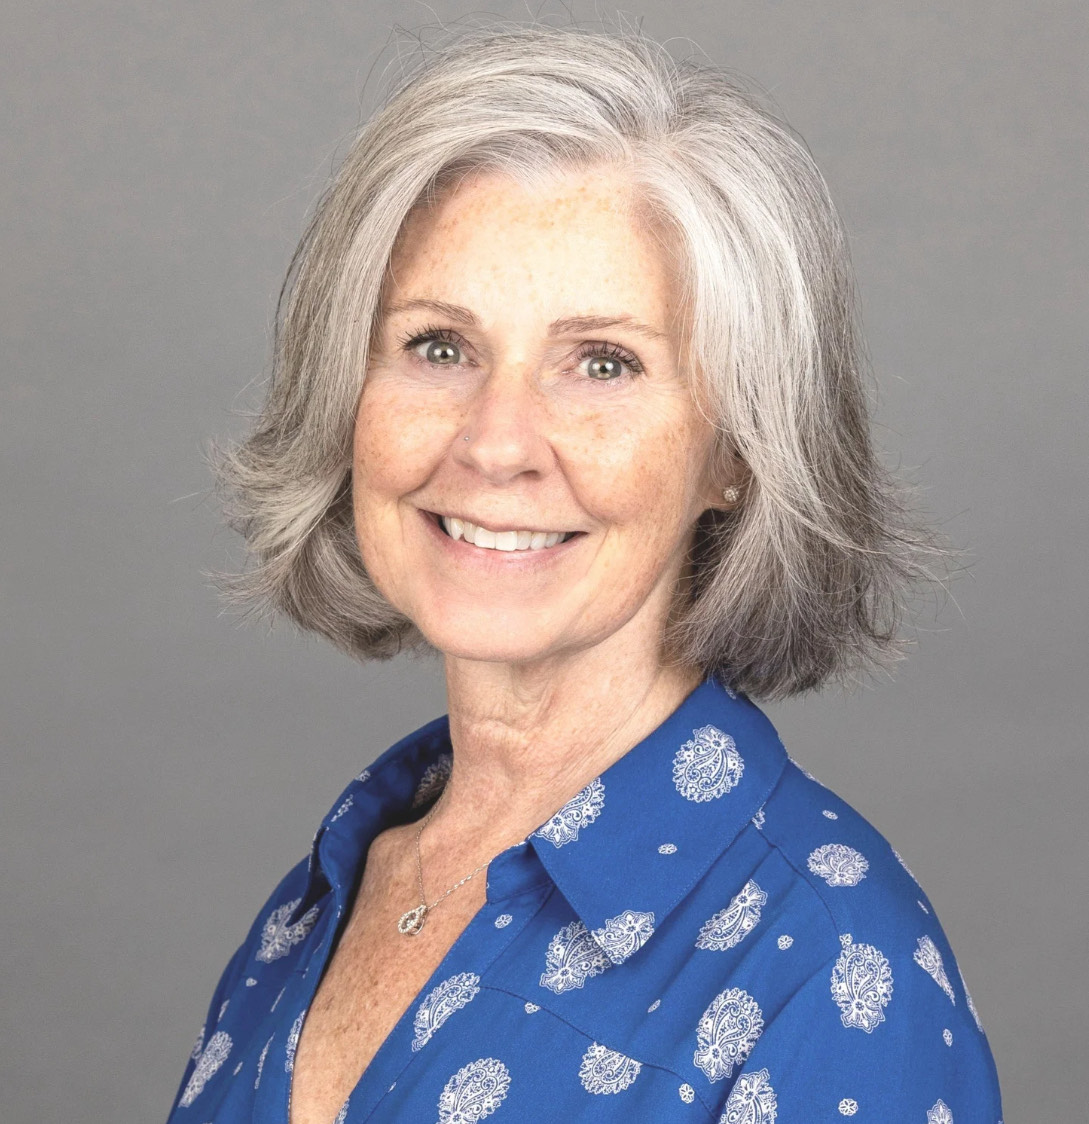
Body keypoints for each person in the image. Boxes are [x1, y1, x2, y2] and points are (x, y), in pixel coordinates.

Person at [166, 22, 1003, 1124]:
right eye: (438, 346)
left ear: (736, 453)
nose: (496, 440)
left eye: (602, 362)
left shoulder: (832, 966)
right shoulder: (339, 881)